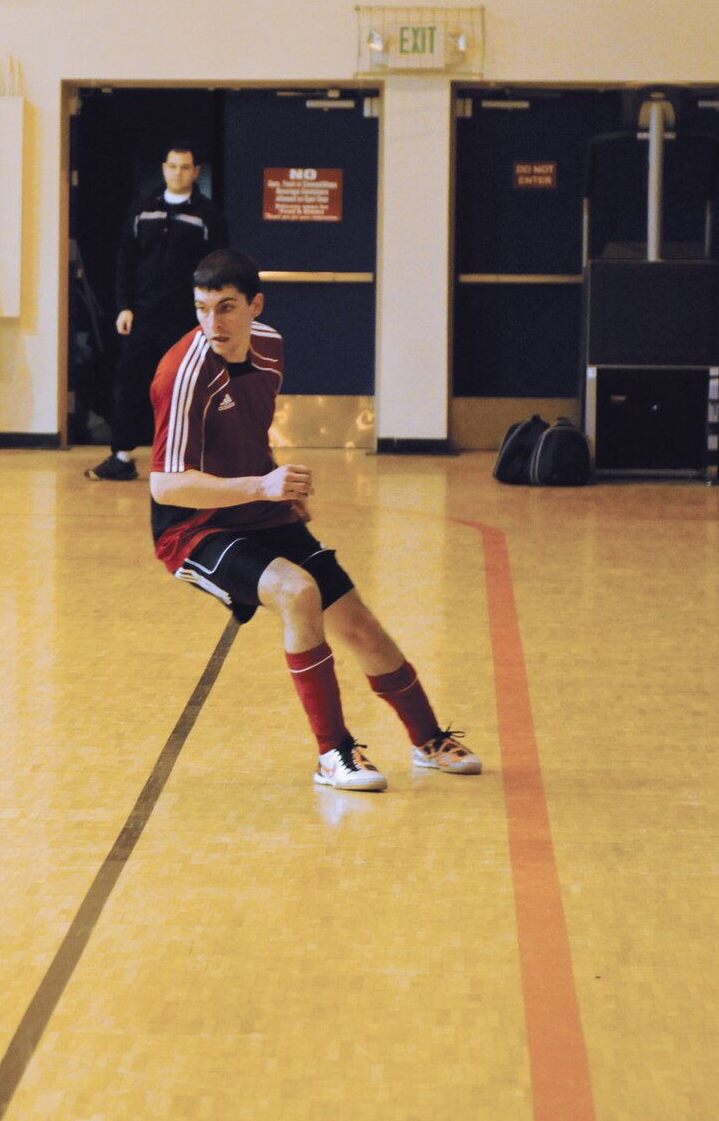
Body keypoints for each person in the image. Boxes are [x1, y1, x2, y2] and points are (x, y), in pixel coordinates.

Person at [149, 249, 484, 791]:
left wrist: (274, 488)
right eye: (202, 309)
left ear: (256, 306)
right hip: (194, 526)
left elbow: (245, 434)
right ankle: (334, 754)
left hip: (258, 507)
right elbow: (165, 485)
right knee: (298, 591)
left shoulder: (271, 347)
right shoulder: (181, 374)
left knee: (358, 624)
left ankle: (428, 740)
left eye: (227, 307)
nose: (213, 324)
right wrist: (262, 486)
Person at [89, 141, 228, 481]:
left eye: (185, 167)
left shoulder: (207, 215)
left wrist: (210, 315)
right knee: (130, 384)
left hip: (186, 318)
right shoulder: (142, 208)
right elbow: (125, 261)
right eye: (172, 166)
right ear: (164, 169)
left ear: (195, 172)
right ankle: (121, 457)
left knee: (186, 385)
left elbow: (218, 268)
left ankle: (188, 457)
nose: (178, 173)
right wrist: (124, 307)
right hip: (143, 315)